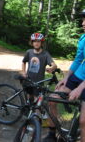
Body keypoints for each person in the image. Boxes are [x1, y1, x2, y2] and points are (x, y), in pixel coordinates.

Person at [43, 10, 85, 142]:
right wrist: (66, 78)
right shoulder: (83, 39)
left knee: (84, 122)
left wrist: (79, 89)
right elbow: (78, 60)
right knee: (52, 98)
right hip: (78, 76)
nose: (83, 23)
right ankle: (52, 134)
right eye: (83, 20)